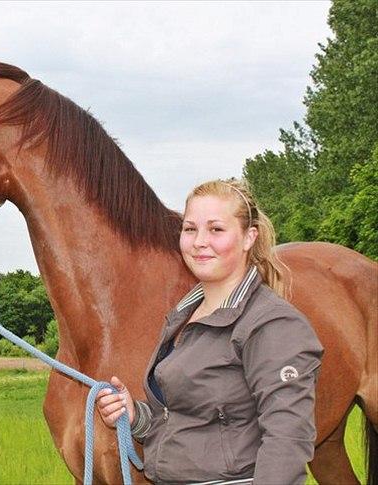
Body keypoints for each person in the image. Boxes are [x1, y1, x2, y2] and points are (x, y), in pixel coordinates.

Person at [96, 179, 324, 484]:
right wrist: (135, 416)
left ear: (248, 238)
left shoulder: (272, 324)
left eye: (216, 229)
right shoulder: (185, 315)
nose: (199, 241)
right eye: (190, 229)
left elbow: (288, 439)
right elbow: (190, 421)